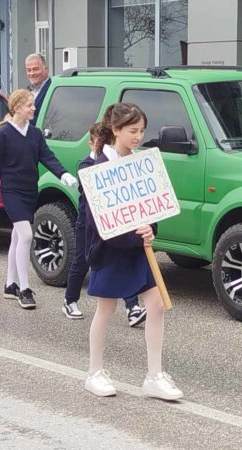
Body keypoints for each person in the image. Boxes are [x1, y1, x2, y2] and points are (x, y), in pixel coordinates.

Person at [82, 102, 183, 400]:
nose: (139, 136)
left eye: (141, 130)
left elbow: (152, 207)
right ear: (115, 130)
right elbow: (98, 222)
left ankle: (154, 375)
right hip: (111, 250)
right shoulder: (96, 167)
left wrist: (151, 229)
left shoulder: (142, 163)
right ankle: (94, 371)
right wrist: (133, 237)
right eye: (132, 130)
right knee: (106, 309)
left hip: (139, 249)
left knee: (156, 305)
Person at [0, 89, 77, 309]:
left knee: (16, 237)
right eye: (29, 105)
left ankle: (9, 284)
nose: (33, 108)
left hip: (29, 190)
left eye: (33, 104)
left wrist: (63, 174)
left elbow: (47, 156)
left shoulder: (34, 134)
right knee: (25, 235)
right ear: (16, 108)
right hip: (12, 191)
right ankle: (24, 288)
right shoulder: (2, 135)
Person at [63, 123, 147, 326]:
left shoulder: (115, 161)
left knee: (123, 261)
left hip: (113, 223)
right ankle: (70, 299)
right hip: (88, 224)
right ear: (91, 143)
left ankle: (132, 307)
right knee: (82, 262)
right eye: (97, 142)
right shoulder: (87, 165)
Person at [24, 53, 51, 125]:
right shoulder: (25, 92)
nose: (32, 73)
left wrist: (24, 117)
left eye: (35, 69)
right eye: (28, 70)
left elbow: (50, 121)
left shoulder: (53, 90)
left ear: (46, 69)